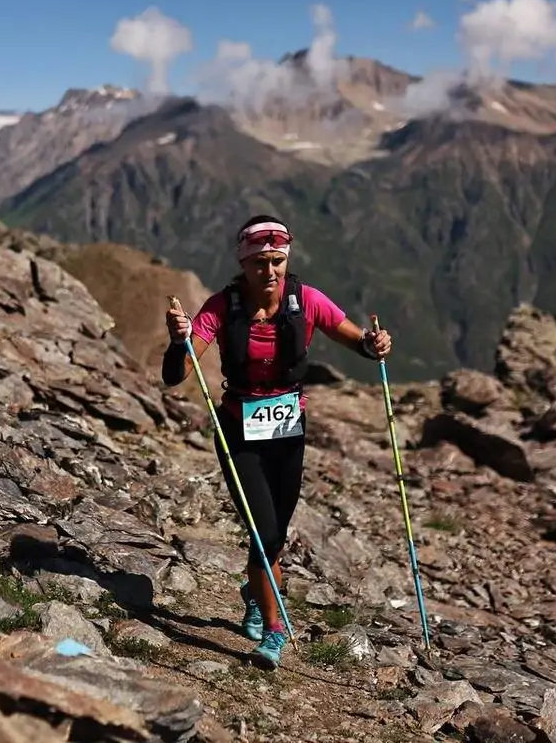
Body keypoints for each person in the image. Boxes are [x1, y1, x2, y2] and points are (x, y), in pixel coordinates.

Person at [160, 214, 392, 669]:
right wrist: (177, 341)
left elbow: (356, 341)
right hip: (238, 431)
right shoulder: (221, 307)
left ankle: (254, 591)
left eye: (277, 261)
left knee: (276, 537)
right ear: (243, 264)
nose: (269, 270)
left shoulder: (307, 301)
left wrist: (375, 343)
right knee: (264, 531)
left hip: (288, 433)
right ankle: (274, 629)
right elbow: (176, 375)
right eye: (259, 262)